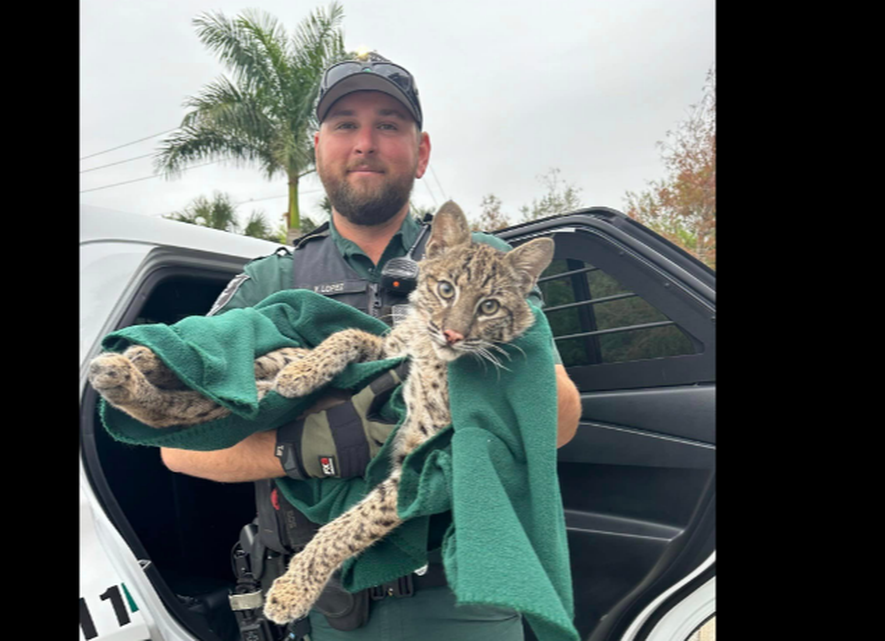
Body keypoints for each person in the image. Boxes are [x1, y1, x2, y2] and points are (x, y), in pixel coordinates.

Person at [161, 52, 582, 640]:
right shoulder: (270, 282)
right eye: (345, 125)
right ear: (318, 146)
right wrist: (303, 448)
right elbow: (181, 448)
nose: (366, 142)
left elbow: (558, 420)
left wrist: (461, 382)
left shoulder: (483, 259)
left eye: (388, 124)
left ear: (421, 150)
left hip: (465, 598)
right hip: (330, 607)